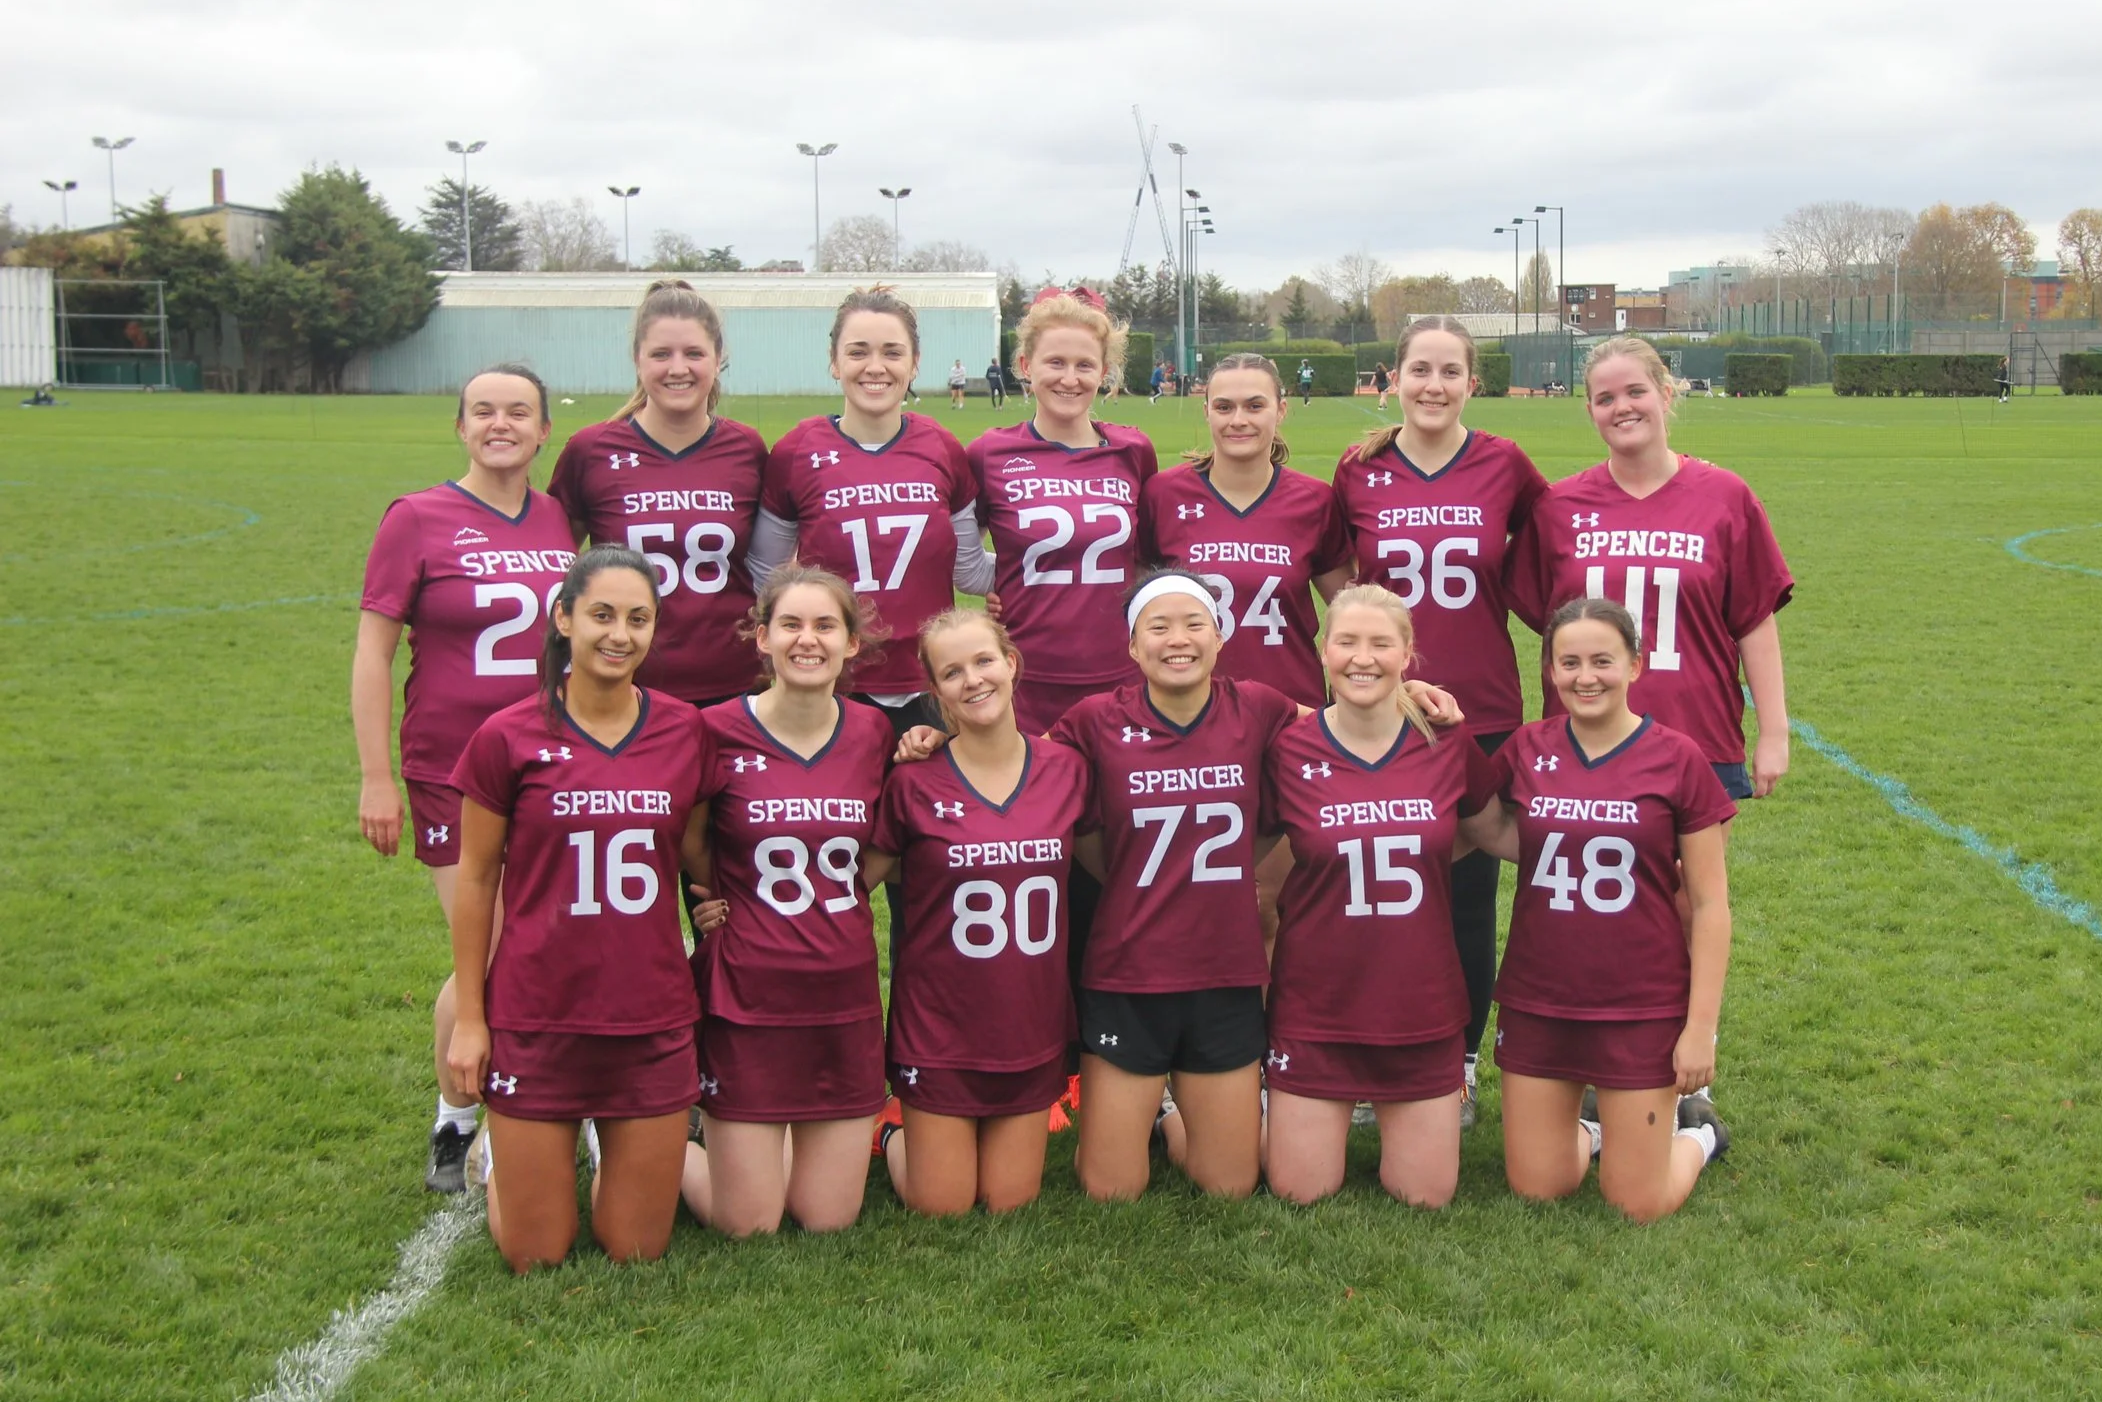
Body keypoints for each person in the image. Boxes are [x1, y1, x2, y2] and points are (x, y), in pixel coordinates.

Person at [443, 546, 713, 1272]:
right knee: (536, 1253)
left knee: (636, 1248)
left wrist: (717, 904)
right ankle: (500, 1155)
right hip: (539, 1010)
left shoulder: (685, 730)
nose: (618, 634)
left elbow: (699, 851)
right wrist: (472, 1017)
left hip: (650, 1012)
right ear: (563, 618)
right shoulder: (507, 736)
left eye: (638, 618)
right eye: (600, 615)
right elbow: (473, 881)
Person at [354, 364, 580, 1195]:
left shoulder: (558, 516)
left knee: (538, 940)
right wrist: (376, 777)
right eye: (483, 410)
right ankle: (459, 1120)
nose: (500, 423)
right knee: (487, 949)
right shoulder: (417, 518)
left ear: (542, 428)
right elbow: (373, 652)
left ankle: (512, 1108)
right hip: (452, 767)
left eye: (519, 410)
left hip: (548, 763)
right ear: (459, 425)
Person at [1330, 315, 1551, 1129]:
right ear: (1393, 377)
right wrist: (1363, 667)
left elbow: (1549, 559)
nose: (1433, 385)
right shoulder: (1360, 470)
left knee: (1464, 894)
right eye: (1419, 369)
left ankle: (1454, 1065)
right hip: (1378, 717)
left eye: (1450, 371)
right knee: (1373, 893)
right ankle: (1364, 1055)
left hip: (1480, 709)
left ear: (1472, 382)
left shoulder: (1505, 464)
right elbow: (1336, 583)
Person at [1464, 597, 1735, 1222]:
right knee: (1539, 1186)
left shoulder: (1677, 758)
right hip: (1540, 995)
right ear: (1551, 671)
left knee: (1636, 1203)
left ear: (1636, 666)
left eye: (1603, 661)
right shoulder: (1528, 748)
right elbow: (1491, 829)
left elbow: (1710, 904)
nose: (1586, 676)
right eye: (1569, 662)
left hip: (1640, 1001)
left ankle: (1699, 1136)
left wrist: (1700, 1028)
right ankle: (1604, 1131)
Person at [1048, 570, 1299, 1202]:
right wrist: (931, 739)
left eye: (1194, 624)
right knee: (1110, 1190)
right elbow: (1013, 763)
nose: (1177, 640)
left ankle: (1169, 1115)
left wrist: (1416, 695)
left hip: (1225, 969)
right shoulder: (1095, 719)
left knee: (1231, 1186)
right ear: (1133, 647)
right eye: (1157, 627)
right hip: (1128, 970)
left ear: (1220, 638)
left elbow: (1350, 726)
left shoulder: (1261, 707)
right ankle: (1151, 1114)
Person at [679, 566, 897, 1236]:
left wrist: (852, 889)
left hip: (842, 991)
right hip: (747, 993)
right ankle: (650, 1139)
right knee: (750, 1223)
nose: (809, 640)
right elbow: (686, 834)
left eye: (826, 625)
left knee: (826, 1219)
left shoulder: (873, 732)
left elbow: (890, 833)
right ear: (762, 638)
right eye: (791, 625)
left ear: (851, 643)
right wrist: (709, 897)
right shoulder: (713, 729)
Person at [1260, 586, 1495, 1207]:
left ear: (1408, 655)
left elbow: (1494, 831)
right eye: (1347, 642)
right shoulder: (1285, 748)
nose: (1362, 659)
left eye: (1380, 644)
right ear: (1324, 652)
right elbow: (1243, 852)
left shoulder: (1445, 741)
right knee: (1299, 1190)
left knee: (1424, 1195)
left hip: (1419, 1004)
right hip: (1317, 1003)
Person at [863, 609, 1089, 1214]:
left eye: (984, 661)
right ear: (934, 692)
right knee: (944, 1205)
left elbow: (1114, 869)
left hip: (1029, 1024)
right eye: (952, 672)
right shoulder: (911, 783)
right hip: (939, 1027)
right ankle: (892, 1132)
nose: (974, 680)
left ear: (1011, 664)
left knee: (1008, 1200)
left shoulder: (1066, 767)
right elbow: (852, 882)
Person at [1505, 334, 1792, 810]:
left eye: (1636, 391)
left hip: (1698, 733)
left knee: (1692, 886)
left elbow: (1754, 621)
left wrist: (1775, 733)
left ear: (1665, 393)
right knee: (1582, 885)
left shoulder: (1725, 498)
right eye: (1605, 398)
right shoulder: (1558, 508)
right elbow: (1549, 624)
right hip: (1584, 741)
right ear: (1591, 410)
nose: (1623, 407)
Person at [750, 286, 993, 739]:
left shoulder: (941, 447)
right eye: (858, 352)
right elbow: (767, 574)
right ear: (834, 361)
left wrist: (1049, 575)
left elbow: (969, 570)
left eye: (892, 352)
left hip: (931, 686)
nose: (875, 367)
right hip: (831, 686)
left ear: (915, 362)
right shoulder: (796, 451)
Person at [547, 280, 766, 712]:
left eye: (694, 354)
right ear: (637, 360)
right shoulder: (591, 451)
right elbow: (555, 572)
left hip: (735, 689)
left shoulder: (748, 449)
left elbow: (772, 565)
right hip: (624, 689)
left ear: (718, 359)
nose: (677, 368)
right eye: (661, 354)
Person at [970, 288, 1157, 735]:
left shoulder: (1133, 450)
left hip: (1120, 674)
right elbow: (952, 553)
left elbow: (1150, 559)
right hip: (1022, 677)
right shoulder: (989, 453)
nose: (1069, 378)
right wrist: (1000, 581)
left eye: (1085, 365)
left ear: (1105, 373)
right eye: (1055, 363)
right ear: (1025, 367)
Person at [1141, 352, 1352, 711]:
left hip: (1293, 709)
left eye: (1255, 406)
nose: (1239, 420)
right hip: (1190, 712)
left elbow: (1351, 610)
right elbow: (1138, 612)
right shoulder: (1163, 494)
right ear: (1206, 411)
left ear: (1281, 410)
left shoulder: (1315, 500)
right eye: (1224, 407)